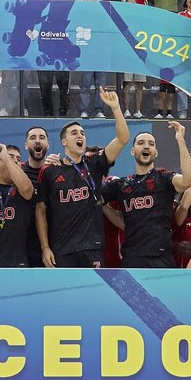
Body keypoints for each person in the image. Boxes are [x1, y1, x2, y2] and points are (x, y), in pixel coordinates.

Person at [36, 89, 129, 268]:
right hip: (61, 249)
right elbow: (40, 210)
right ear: (64, 142)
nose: (80, 135)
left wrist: (116, 108)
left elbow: (123, 138)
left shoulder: (95, 163)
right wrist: (45, 247)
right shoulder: (49, 171)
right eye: (74, 133)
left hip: (92, 247)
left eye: (82, 133)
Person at [102, 123, 191, 268]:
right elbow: (94, 197)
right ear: (132, 151)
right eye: (141, 143)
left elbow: (189, 180)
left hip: (161, 257)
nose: (146, 146)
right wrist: (104, 207)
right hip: (131, 257)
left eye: (151, 144)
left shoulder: (164, 178)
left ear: (156, 153)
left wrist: (180, 140)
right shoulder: (120, 185)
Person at [23, 126, 49, 267]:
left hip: (53, 244)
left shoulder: (57, 172)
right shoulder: (19, 174)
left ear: (48, 144)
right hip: (24, 245)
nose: (37, 141)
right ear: (26, 145)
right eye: (33, 138)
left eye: (42, 137)